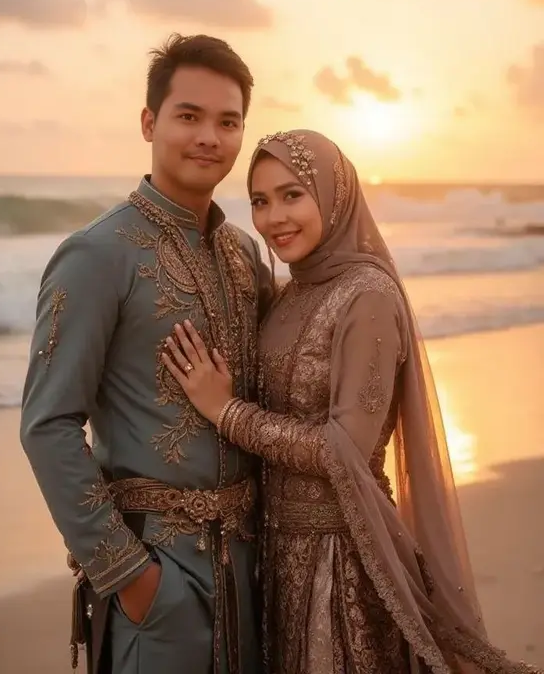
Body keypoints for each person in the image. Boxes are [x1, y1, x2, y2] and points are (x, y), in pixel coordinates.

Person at [162, 129, 541, 674]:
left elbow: (345, 448)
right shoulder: (291, 292)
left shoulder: (368, 296)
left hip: (343, 559)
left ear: (334, 195)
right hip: (276, 553)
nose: (274, 218)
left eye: (293, 194)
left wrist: (226, 413)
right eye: (260, 202)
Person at [19, 33, 274, 674]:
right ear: (149, 122)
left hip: (251, 574)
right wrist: (129, 577)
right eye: (189, 116)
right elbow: (47, 425)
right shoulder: (98, 254)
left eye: (228, 121)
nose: (209, 137)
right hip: (157, 575)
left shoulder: (245, 255)